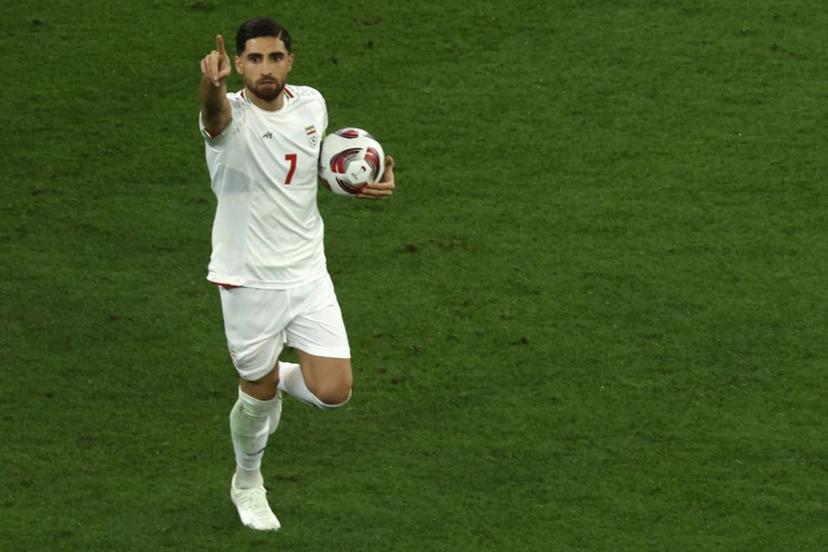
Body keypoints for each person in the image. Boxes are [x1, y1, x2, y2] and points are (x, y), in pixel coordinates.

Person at [197, 17, 395, 531]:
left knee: (334, 393)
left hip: (308, 272)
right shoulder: (229, 116)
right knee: (255, 393)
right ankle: (248, 481)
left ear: (290, 60)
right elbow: (214, 118)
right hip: (248, 279)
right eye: (255, 59)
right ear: (237, 64)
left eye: (275, 57)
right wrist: (210, 87)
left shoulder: (312, 103)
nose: (266, 69)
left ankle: (279, 377)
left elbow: (312, 163)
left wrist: (360, 181)